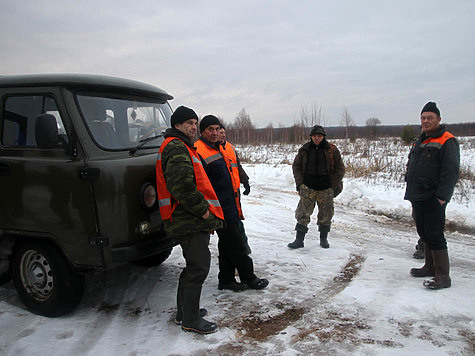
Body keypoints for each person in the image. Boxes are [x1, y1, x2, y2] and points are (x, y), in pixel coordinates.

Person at [155, 106, 224, 334]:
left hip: (187, 218)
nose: (194, 127)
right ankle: (190, 320)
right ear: (177, 125)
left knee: (192, 267)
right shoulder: (176, 147)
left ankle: (184, 312)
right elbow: (182, 186)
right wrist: (203, 211)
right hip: (189, 219)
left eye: (195, 123)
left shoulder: (181, 145)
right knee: (198, 267)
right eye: (189, 123)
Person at [195, 115, 269, 291]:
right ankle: (249, 277)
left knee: (226, 244)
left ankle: (226, 279)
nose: (215, 133)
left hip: (230, 204)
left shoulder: (218, 148)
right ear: (202, 131)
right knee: (237, 245)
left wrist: (244, 181)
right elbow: (200, 184)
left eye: (217, 129)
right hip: (218, 208)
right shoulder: (199, 150)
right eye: (210, 129)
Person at [404, 101, 460, 289]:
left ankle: (443, 276)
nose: (426, 121)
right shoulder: (421, 140)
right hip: (418, 195)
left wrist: (442, 196)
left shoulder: (447, 140)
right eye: (423, 118)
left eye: (430, 118)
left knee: (435, 234)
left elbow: (450, 171)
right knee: (424, 233)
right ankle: (429, 266)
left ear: (438, 119)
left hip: (433, 197)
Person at [288, 125, 345, 249]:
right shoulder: (304, 149)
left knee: (326, 214)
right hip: (308, 187)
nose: (317, 138)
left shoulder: (332, 150)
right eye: (314, 136)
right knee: (302, 213)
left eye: (319, 136)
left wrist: (333, 185)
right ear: (311, 137)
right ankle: (299, 240)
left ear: (323, 136)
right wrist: (300, 184)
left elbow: (340, 169)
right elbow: (296, 166)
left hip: (326, 188)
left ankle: (323, 239)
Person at [218, 123, 252, 254]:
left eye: (223, 133)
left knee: (236, 219)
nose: (222, 135)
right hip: (222, 192)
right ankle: (235, 247)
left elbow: (238, 166)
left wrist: (245, 181)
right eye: (220, 132)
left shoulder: (230, 148)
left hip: (235, 191)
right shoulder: (213, 149)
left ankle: (243, 245)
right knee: (229, 223)